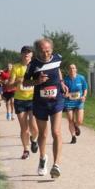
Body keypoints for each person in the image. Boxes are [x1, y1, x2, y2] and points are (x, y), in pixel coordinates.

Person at [24, 37, 66, 179]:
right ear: (37, 52)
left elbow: (58, 70)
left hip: (56, 100)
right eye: (42, 51)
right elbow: (25, 82)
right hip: (40, 103)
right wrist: (38, 81)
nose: (45, 54)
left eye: (48, 51)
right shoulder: (33, 64)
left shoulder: (58, 58)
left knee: (56, 131)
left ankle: (56, 165)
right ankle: (42, 159)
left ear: (52, 50)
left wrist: (62, 82)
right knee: (43, 134)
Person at [9, 47, 39, 159]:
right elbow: (9, 84)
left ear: (32, 55)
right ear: (21, 54)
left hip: (33, 99)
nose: (26, 54)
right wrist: (17, 81)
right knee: (24, 128)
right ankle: (26, 149)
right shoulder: (16, 67)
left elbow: (40, 81)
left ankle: (34, 139)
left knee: (34, 126)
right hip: (20, 100)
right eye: (24, 52)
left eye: (28, 52)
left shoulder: (35, 67)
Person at [62, 64, 89, 144]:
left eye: (73, 68)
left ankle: (76, 126)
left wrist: (84, 96)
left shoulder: (81, 78)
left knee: (80, 120)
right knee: (70, 120)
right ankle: (73, 137)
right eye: (70, 68)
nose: (72, 69)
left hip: (79, 102)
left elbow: (85, 89)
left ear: (76, 69)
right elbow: (63, 91)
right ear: (68, 70)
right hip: (68, 101)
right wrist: (65, 94)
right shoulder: (65, 80)